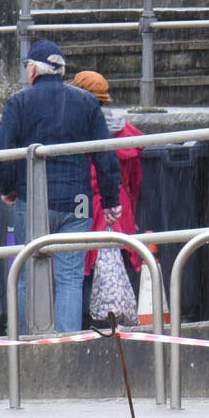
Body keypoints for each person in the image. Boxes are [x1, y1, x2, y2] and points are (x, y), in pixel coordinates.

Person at [0, 41, 120, 334]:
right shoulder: (86, 102)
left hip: (34, 200)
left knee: (27, 274)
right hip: (78, 202)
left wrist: (8, 188)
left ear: (34, 70)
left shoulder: (19, 103)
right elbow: (105, 153)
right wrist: (111, 200)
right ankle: (68, 343)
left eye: (27, 66)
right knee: (70, 277)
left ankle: (28, 341)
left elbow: (2, 149)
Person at [71, 70, 146, 278]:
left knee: (79, 274)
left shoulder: (72, 130)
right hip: (119, 208)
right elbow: (134, 180)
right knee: (119, 278)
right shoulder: (125, 133)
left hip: (84, 206)